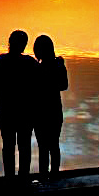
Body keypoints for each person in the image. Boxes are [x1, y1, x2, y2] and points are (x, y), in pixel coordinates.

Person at [0, 29, 39, 178]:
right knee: (23, 146)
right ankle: (22, 177)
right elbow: (41, 81)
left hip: (7, 112)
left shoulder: (0, 60)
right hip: (24, 113)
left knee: (9, 146)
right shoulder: (30, 62)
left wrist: (0, 109)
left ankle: (10, 178)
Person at [32, 34, 68, 180]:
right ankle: (52, 176)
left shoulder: (42, 67)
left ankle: (46, 176)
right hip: (52, 111)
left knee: (46, 146)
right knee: (52, 145)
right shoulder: (57, 64)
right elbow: (64, 86)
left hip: (44, 111)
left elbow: (63, 85)